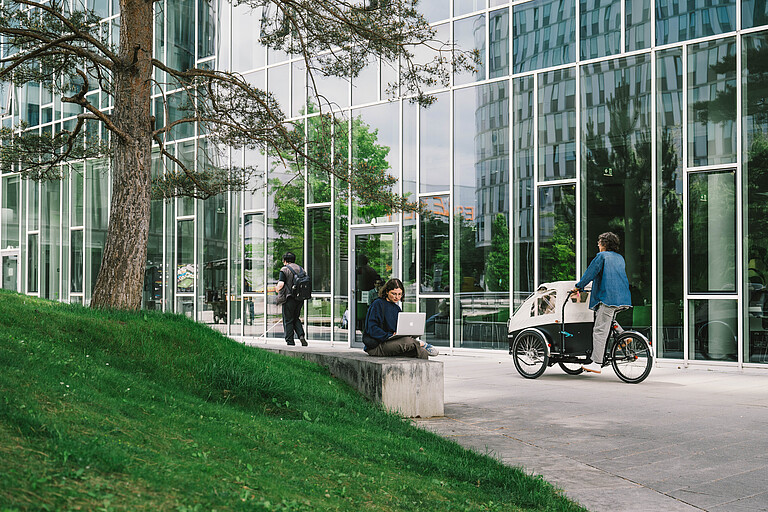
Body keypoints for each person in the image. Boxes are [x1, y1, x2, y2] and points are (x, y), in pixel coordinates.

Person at [571, 232, 631, 374]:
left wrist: (578, 287)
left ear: (604, 244)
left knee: (599, 331)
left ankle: (596, 363)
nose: (597, 245)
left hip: (608, 298)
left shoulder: (601, 257)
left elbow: (589, 274)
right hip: (623, 298)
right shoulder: (619, 258)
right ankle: (624, 337)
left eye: (599, 242)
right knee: (607, 319)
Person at [363, 278, 439, 358]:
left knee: (422, 352)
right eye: (394, 293)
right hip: (377, 346)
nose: (397, 297)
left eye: (400, 294)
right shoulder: (377, 304)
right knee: (408, 341)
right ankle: (421, 343)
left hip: (393, 342)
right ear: (387, 292)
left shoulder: (397, 308)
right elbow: (372, 328)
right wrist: (389, 335)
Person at [275, 252, 307, 346]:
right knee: (296, 318)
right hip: (299, 298)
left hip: (289, 298)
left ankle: (290, 341)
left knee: (288, 319)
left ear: (285, 261)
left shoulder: (284, 269)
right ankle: (301, 335)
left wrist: (276, 289)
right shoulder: (301, 269)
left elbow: (281, 284)